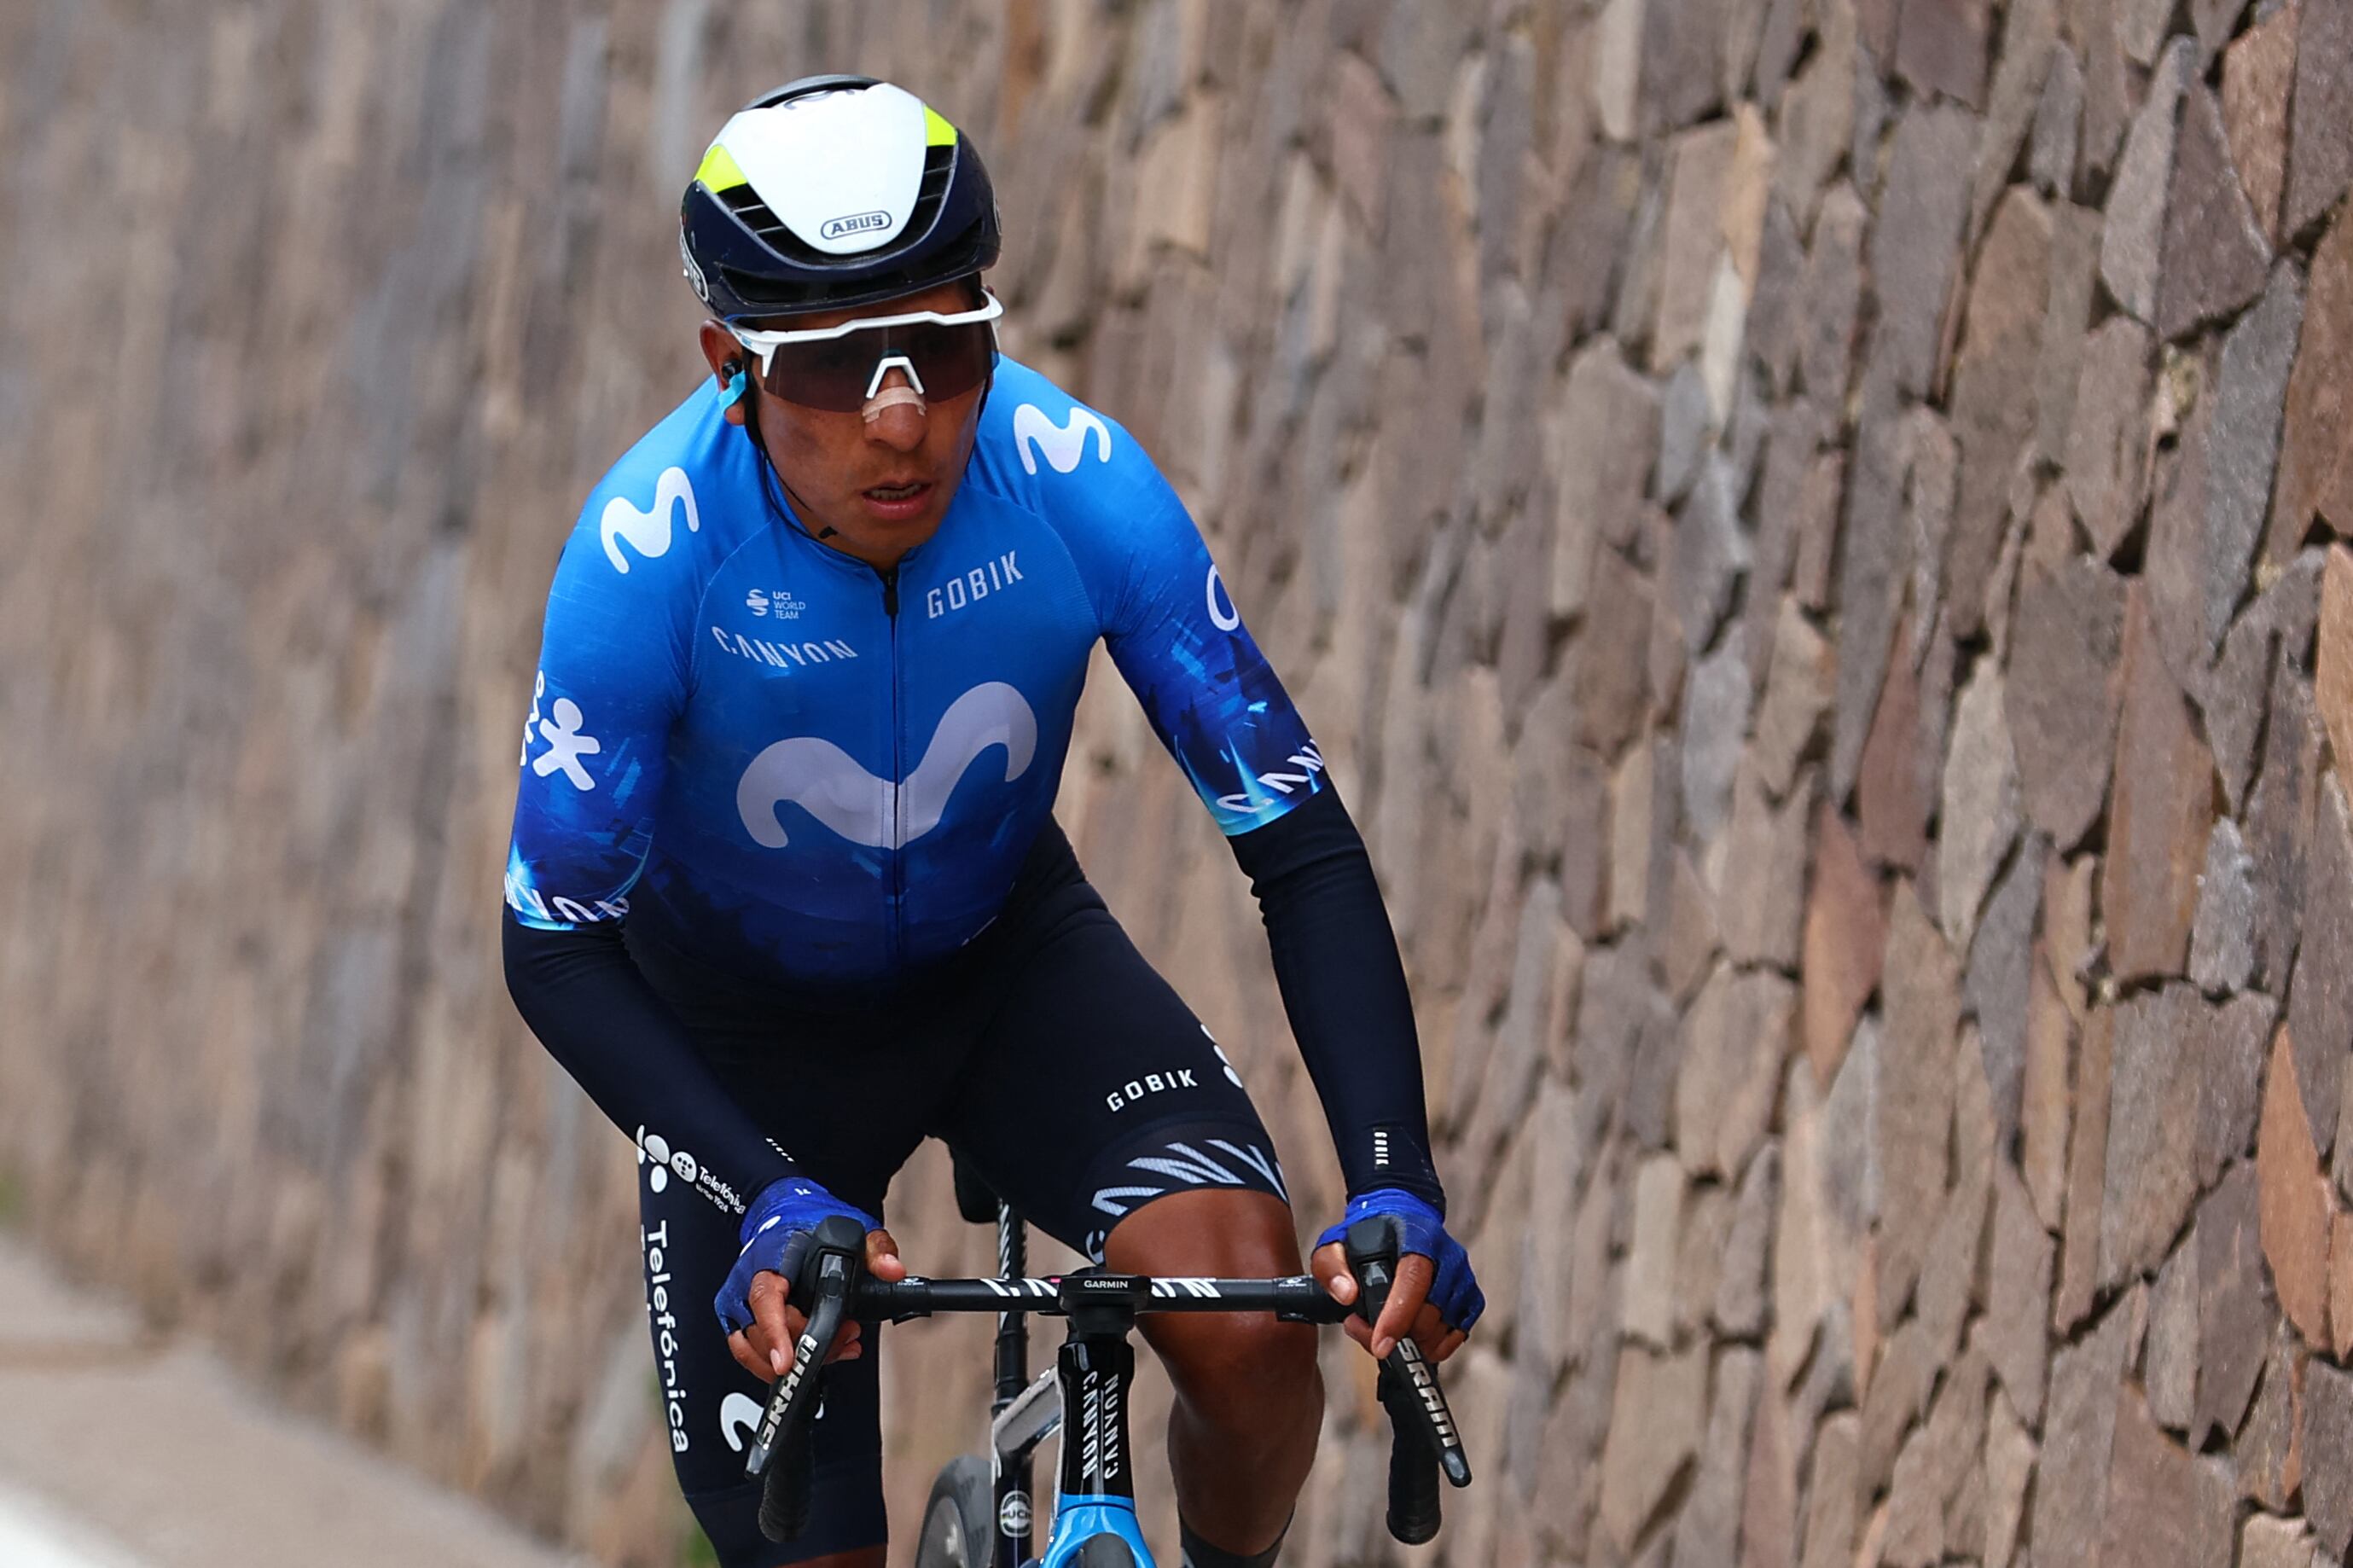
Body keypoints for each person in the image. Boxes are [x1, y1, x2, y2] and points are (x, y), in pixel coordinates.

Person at [501, 76, 1481, 1568]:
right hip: (742, 1049)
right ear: (729, 362)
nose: (900, 419)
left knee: (1250, 1331)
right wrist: (765, 1193)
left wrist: (1391, 1171)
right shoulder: (646, 558)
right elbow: (552, 943)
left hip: (1006, 963)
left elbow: (1298, 840)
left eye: (945, 347)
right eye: (835, 371)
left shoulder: (1075, 485)